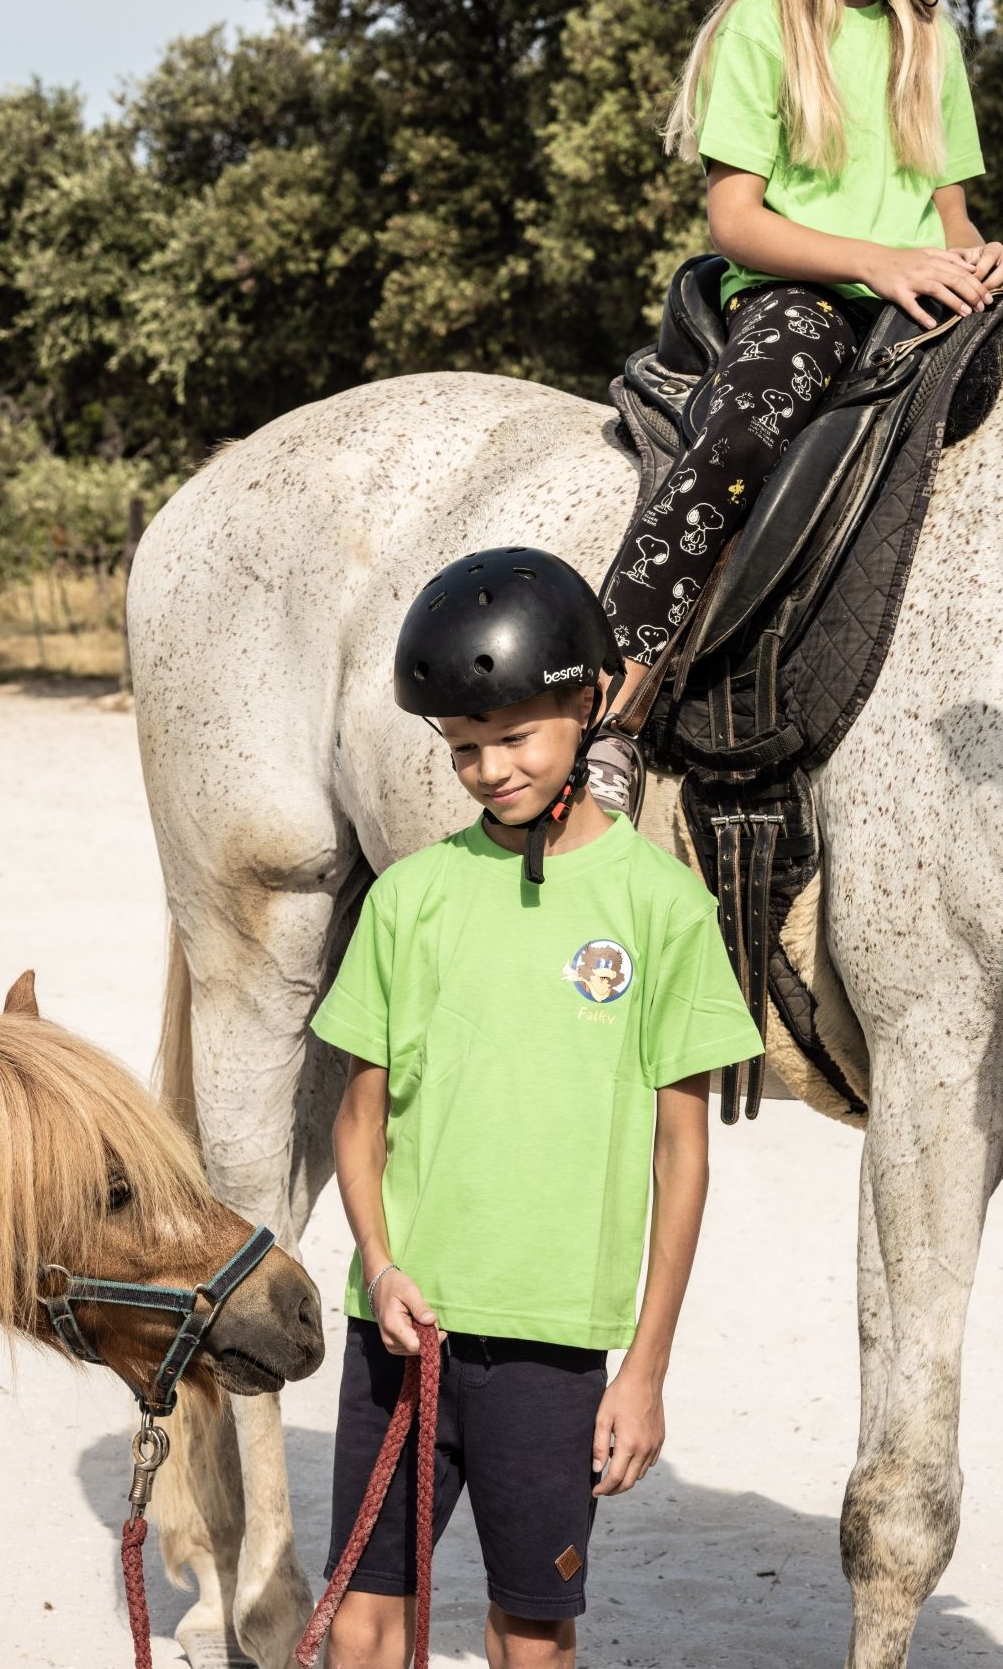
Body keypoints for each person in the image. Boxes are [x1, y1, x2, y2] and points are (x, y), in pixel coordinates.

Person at [311, 547, 762, 1669]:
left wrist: (644, 1368)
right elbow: (357, 1120)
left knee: (532, 1624)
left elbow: (681, 1157)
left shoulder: (661, 908)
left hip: (554, 1344)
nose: (488, 771)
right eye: (464, 749)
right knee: (363, 1617)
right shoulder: (410, 898)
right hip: (399, 1327)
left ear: (587, 703)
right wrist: (378, 1263)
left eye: (513, 738)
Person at [587, 0, 1003, 814]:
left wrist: (985, 257)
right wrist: (873, 264)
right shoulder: (758, 27)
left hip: (918, 291)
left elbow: (948, 211)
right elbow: (734, 220)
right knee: (738, 435)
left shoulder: (930, 31)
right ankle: (614, 695)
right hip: (800, 295)